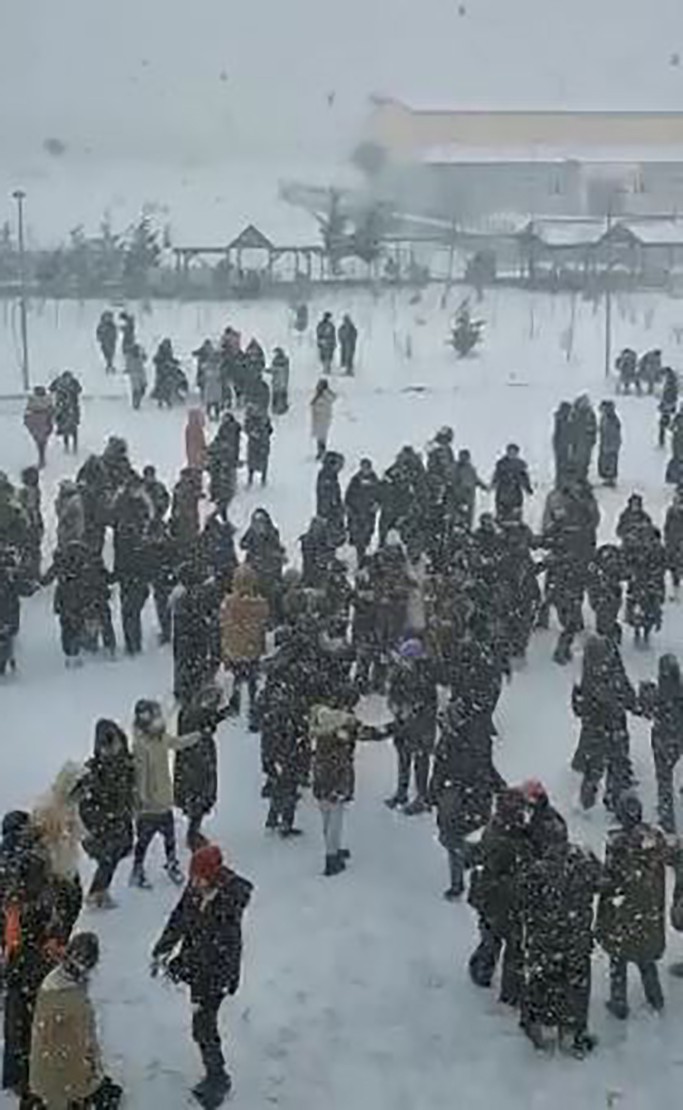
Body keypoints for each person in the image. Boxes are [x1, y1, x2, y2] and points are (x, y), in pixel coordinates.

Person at [151, 844, 253, 1106]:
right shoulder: (197, 890)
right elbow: (180, 919)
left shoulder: (228, 905)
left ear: (214, 876)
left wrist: (180, 966)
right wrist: (162, 949)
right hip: (199, 970)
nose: (193, 883)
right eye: (192, 877)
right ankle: (215, 1073)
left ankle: (218, 1078)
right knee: (202, 1027)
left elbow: (210, 949)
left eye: (198, 878)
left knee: (203, 1028)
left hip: (215, 977)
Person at [519, 818, 601, 1056]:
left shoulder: (537, 869)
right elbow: (604, 883)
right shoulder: (583, 860)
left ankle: (536, 1024)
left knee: (540, 981)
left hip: (545, 939)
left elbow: (523, 901)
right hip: (576, 938)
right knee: (576, 985)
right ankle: (573, 1031)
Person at [29, 933, 123, 1109]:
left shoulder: (49, 982)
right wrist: (96, 1077)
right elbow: (87, 1050)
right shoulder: (76, 1002)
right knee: (107, 1092)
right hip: (66, 1091)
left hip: (38, 1081)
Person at [597, 791, 667, 1020]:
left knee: (618, 961)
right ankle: (655, 998)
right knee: (646, 960)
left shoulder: (617, 844)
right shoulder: (655, 838)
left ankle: (619, 1003)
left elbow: (610, 882)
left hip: (621, 915)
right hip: (648, 914)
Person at [429, 694, 505, 899]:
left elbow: (444, 770)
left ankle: (460, 879)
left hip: (464, 798)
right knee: (453, 839)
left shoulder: (465, 742)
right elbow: (440, 770)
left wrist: (435, 793)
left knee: (452, 839)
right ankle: (467, 863)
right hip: (465, 798)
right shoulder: (460, 741)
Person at [2, 851, 56, 1100]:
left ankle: (18, 1076)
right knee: (28, 1026)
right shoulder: (38, 898)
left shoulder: (15, 900)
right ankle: (26, 1077)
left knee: (17, 1027)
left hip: (20, 969)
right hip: (29, 970)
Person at [467, 788, 529, 1006]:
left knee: (492, 939)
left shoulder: (496, 828)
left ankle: (482, 972)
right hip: (504, 897)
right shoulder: (505, 835)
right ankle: (509, 991)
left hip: (493, 898)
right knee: (512, 945)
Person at [130, 700, 200, 889]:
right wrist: (143, 801)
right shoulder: (141, 745)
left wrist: (196, 736)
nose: (159, 722)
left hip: (164, 799)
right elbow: (141, 775)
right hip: (150, 806)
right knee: (144, 840)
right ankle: (137, 870)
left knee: (170, 837)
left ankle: (171, 864)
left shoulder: (160, 738)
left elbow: (176, 743)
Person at [571, 635, 636, 810]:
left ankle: (587, 803)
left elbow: (578, 707)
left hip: (596, 729)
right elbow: (626, 695)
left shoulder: (587, 675)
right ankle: (612, 801)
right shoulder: (613, 673)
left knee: (594, 769)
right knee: (615, 765)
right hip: (613, 726)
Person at [78, 720, 135, 909]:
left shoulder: (126, 764)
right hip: (102, 830)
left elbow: (130, 790)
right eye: (106, 746)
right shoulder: (92, 772)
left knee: (113, 858)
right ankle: (96, 895)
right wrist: (107, 818)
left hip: (120, 826)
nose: (111, 750)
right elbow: (85, 807)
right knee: (107, 861)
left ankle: (99, 893)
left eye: (114, 744)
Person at [32, 762, 85, 945]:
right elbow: (45, 839)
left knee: (72, 906)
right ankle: (55, 946)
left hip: (67, 869)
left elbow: (76, 832)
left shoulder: (70, 804)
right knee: (58, 914)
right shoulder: (49, 807)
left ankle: (61, 942)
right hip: (54, 873)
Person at [386, 638, 438, 815]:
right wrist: (397, 708)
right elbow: (392, 693)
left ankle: (421, 797)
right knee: (403, 758)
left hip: (421, 727)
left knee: (421, 761)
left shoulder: (426, 674)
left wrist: (413, 711)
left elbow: (429, 703)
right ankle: (402, 792)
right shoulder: (399, 672)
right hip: (403, 723)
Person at [175, 689, 228, 850]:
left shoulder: (189, 712)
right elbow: (206, 725)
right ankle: (192, 835)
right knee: (199, 797)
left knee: (196, 797)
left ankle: (194, 832)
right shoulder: (196, 715)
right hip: (197, 761)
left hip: (194, 760)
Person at [637, 655, 683, 834]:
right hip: (680, 739)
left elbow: (645, 710)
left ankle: (667, 822)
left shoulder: (657, 693)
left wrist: (644, 691)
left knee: (664, 781)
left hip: (661, 742)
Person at [220, 564, 269, 729]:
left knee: (235, 678)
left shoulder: (229, 603)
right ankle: (254, 710)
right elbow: (262, 626)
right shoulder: (261, 604)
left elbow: (224, 626)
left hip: (234, 650)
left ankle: (235, 704)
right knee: (253, 681)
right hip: (252, 650)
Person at [172, 562, 219, 706]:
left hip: (183, 636)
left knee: (183, 663)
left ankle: (183, 692)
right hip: (198, 635)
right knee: (197, 663)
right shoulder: (202, 595)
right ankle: (196, 690)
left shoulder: (179, 597)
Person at [239, 509, 286, 617]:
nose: (259, 525)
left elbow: (277, 549)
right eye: (256, 522)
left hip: (269, 569)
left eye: (261, 522)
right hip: (255, 568)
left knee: (272, 594)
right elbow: (242, 544)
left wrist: (275, 554)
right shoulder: (251, 533)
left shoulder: (272, 532)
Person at [345, 458, 381, 561]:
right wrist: (349, 508)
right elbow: (348, 496)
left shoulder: (375, 480)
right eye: (363, 467)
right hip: (355, 514)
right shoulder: (355, 480)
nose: (365, 469)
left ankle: (364, 557)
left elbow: (380, 495)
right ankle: (357, 557)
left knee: (367, 536)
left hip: (368, 514)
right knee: (356, 537)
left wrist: (377, 504)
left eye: (367, 467)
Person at [490, 443, 532, 522]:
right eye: (510, 452)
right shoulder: (501, 464)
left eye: (514, 452)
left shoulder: (520, 464)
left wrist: (527, 487)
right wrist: (493, 484)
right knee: (502, 514)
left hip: (516, 493)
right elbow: (496, 475)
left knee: (516, 513)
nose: (512, 454)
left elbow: (524, 477)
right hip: (503, 492)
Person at [207, 413, 241, 508]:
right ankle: (219, 491)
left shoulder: (233, 429)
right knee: (220, 474)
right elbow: (219, 438)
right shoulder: (225, 428)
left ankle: (224, 491)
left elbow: (231, 443)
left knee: (226, 474)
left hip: (229, 455)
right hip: (224, 455)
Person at [18, 466, 44, 582]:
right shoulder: (34, 490)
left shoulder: (27, 491)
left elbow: (29, 509)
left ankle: (29, 573)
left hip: (30, 523)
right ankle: (32, 573)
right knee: (33, 550)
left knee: (29, 550)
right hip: (33, 523)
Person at [316, 451, 345, 548]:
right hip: (329, 515)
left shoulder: (331, 476)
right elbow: (326, 497)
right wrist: (325, 514)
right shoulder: (327, 477)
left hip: (331, 513)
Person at [49, 371, 82, 454]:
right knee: (70, 427)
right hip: (68, 407)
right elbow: (79, 390)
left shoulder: (62, 381)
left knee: (67, 426)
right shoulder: (72, 382)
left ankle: (70, 447)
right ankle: (71, 447)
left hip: (66, 407)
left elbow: (51, 389)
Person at [23, 387, 54, 470]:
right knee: (41, 442)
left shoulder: (34, 400)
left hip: (40, 422)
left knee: (41, 442)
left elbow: (28, 411)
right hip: (40, 422)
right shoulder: (46, 400)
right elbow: (51, 411)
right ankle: (42, 458)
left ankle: (42, 458)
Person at [569, 394, 597, 481]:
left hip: (585, 441)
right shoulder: (575, 414)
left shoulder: (589, 414)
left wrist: (592, 438)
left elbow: (593, 427)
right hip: (577, 441)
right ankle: (576, 477)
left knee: (585, 460)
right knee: (576, 459)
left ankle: (582, 477)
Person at [244, 405, 273, 487]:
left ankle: (251, 480)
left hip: (256, 442)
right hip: (262, 442)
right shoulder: (264, 418)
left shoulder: (250, 418)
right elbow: (270, 430)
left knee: (253, 461)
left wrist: (253, 433)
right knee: (261, 460)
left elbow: (246, 428)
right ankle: (262, 480)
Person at [310, 379, 336, 461]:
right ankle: (320, 452)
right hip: (318, 420)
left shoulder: (326, 396)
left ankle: (322, 453)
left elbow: (322, 407)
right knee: (319, 438)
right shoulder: (318, 396)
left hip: (323, 420)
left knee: (322, 438)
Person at [598, 399, 622, 488]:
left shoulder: (612, 419)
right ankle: (607, 478)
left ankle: (610, 479)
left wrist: (610, 444)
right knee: (606, 461)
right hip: (606, 443)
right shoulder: (605, 418)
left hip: (611, 444)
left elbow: (612, 432)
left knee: (610, 461)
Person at [664, 487, 683, 598]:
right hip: (673, 542)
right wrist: (667, 539)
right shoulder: (671, 511)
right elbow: (667, 526)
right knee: (673, 568)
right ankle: (676, 589)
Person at [552, 401, 573, 487]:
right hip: (561, 444)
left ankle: (561, 481)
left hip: (563, 443)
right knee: (561, 464)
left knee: (562, 464)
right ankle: (560, 482)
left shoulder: (562, 418)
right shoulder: (562, 418)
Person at [124, 341, 147, 410]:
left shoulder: (140, 355)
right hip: (134, 374)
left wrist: (143, 354)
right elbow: (128, 365)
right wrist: (128, 369)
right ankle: (135, 402)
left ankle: (138, 399)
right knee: (136, 389)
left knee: (143, 386)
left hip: (141, 373)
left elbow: (145, 359)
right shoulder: (129, 357)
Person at [659, 367, 678, 448]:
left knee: (663, 424)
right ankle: (662, 441)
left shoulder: (670, 383)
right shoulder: (672, 382)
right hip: (669, 404)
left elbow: (667, 395)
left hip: (667, 405)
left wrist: (663, 404)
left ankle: (662, 442)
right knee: (664, 423)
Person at [267, 347, 290, 415]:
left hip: (279, 384)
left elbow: (277, 370)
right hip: (279, 384)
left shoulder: (281, 361)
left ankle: (279, 410)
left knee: (279, 396)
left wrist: (269, 370)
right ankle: (277, 409)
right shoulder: (283, 361)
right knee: (279, 396)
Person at [186, 407, 207, 473]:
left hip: (196, 455)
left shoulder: (192, 428)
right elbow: (197, 443)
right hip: (197, 455)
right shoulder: (194, 429)